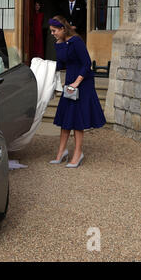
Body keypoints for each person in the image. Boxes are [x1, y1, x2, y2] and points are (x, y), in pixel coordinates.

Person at [48, 16, 106, 168]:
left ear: (62, 28)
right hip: (70, 82)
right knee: (66, 117)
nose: (52, 33)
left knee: (77, 119)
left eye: (54, 31)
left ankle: (78, 152)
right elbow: (60, 64)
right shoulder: (59, 43)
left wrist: (77, 82)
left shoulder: (76, 41)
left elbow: (86, 63)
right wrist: (43, 68)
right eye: (51, 31)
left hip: (82, 82)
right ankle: (61, 152)